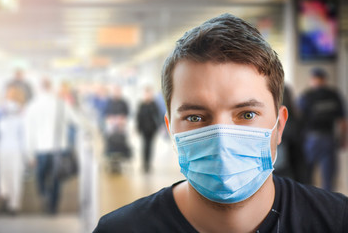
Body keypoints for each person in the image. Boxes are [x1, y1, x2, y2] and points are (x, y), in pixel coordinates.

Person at [94, 14, 348, 232]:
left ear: (279, 126)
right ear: (171, 129)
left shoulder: (337, 222)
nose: (222, 139)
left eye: (247, 114)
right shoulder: (120, 229)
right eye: (195, 117)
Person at [24, 78, 79, 215]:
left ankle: (44, 194)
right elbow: (75, 121)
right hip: (59, 149)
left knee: (40, 176)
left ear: (38, 88)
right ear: (51, 87)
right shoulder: (61, 104)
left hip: (40, 149)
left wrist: (29, 154)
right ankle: (53, 207)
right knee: (56, 179)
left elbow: (28, 133)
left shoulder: (31, 106)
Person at [298, 68, 347, 191]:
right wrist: (343, 139)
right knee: (328, 179)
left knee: (306, 177)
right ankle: (327, 206)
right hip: (328, 139)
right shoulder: (334, 95)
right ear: (324, 80)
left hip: (310, 140)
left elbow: (298, 120)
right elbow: (343, 122)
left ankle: (307, 203)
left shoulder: (306, 96)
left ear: (312, 80)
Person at [0, 85, 28, 215]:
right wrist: (27, 155)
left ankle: (7, 202)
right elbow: (24, 136)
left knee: (4, 177)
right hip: (16, 149)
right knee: (15, 178)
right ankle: (14, 206)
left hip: (2, 148)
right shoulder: (23, 112)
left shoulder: (0, 110)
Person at [136, 87, 161, 173]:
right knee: (144, 146)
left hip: (152, 129)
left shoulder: (154, 104)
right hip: (144, 129)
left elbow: (158, 116)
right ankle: (144, 164)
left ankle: (149, 164)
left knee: (150, 146)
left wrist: (158, 127)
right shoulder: (141, 105)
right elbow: (138, 117)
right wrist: (137, 128)